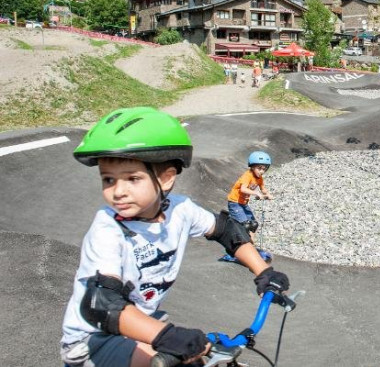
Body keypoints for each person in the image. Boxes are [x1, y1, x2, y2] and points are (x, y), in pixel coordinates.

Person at [59, 107, 289, 367]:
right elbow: (102, 303)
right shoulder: (107, 229)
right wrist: (167, 336)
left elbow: (226, 230)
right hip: (95, 340)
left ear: (166, 178)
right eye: (108, 179)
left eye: (132, 178)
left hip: (142, 326)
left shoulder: (181, 210)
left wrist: (263, 271)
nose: (117, 191)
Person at [225, 151, 273, 261]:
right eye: (259, 168)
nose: (262, 171)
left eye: (264, 169)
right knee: (244, 226)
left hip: (243, 204)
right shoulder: (247, 176)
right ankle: (237, 250)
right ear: (252, 166)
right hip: (235, 203)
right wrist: (256, 193)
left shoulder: (259, 178)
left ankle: (251, 248)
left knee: (253, 224)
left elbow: (263, 189)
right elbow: (243, 189)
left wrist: (267, 194)